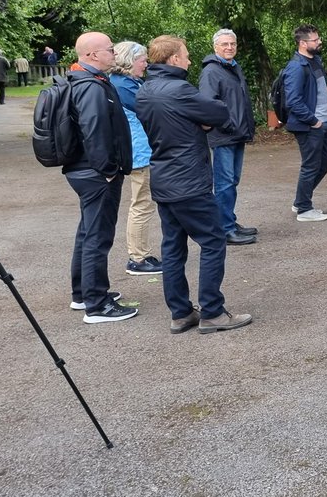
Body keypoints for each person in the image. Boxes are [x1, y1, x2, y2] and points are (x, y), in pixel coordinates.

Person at [136, 35, 252, 334]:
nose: (189, 61)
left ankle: (181, 313)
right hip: (189, 180)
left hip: (163, 178)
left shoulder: (146, 90)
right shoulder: (179, 90)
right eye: (186, 56)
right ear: (173, 58)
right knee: (213, 241)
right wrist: (201, 121)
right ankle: (212, 312)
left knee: (173, 248)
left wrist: (198, 121)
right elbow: (219, 112)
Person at [64, 32, 135, 323]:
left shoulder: (82, 80)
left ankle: (83, 294)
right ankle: (97, 304)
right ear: (92, 55)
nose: (114, 54)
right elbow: (95, 132)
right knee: (97, 236)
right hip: (95, 173)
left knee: (88, 232)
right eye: (109, 50)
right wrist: (107, 171)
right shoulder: (91, 87)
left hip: (84, 170)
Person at [199, 28, 258, 245]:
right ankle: (224, 229)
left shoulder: (233, 67)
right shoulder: (211, 72)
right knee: (224, 183)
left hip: (237, 134)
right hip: (224, 134)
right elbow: (207, 104)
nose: (229, 48)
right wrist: (227, 124)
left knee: (232, 181)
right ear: (215, 47)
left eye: (232, 44)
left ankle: (229, 221)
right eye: (224, 44)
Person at [109, 41, 163, 276]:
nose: (146, 63)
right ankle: (138, 258)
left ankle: (140, 253)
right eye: (142, 59)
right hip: (139, 153)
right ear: (130, 61)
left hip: (140, 150)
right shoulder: (124, 86)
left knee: (143, 203)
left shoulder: (127, 82)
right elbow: (149, 108)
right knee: (141, 204)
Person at [283, 25, 327, 222]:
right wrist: (314, 121)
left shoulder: (315, 61)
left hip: (323, 122)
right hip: (310, 125)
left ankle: (300, 201)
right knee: (311, 165)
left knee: (326, 163)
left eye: (318, 39)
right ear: (303, 44)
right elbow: (293, 101)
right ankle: (304, 209)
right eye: (315, 40)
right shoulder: (296, 67)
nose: (319, 42)